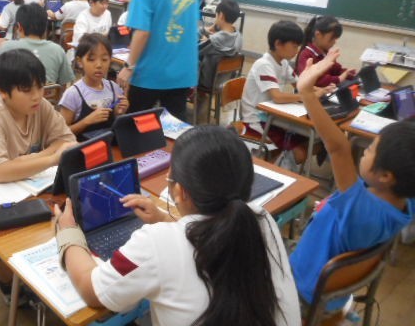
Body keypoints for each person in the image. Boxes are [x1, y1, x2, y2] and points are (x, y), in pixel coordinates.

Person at [55, 125, 301, 326]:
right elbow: (207, 235)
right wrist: (163, 218)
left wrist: (67, 232)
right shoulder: (260, 219)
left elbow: (92, 289)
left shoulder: (155, 243)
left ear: (180, 192)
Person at [290, 48, 415, 315]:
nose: (364, 152)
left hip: (301, 292)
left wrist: (307, 93)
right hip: (332, 294)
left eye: (370, 150)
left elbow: (339, 148)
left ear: (386, 176)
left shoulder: (361, 210)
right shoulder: (405, 203)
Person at [116, 0, 199, 122]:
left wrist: (128, 66)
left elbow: (142, 33)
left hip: (151, 74)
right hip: (182, 72)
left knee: (135, 128)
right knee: (175, 131)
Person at [0, 49, 75, 181]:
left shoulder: (41, 106)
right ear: (3, 91)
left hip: (13, 184)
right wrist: (52, 159)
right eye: (27, 90)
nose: (36, 96)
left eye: (40, 87)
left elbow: (66, 141)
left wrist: (29, 160)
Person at [241, 20, 331, 166]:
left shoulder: (283, 63)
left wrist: (321, 90)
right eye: (294, 46)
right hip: (257, 120)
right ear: (278, 44)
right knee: (301, 150)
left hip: (272, 116)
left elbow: (301, 85)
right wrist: (309, 95)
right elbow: (277, 97)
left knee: (313, 140)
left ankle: (281, 163)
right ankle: (272, 169)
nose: (297, 51)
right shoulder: (264, 64)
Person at [59, 33, 128, 137]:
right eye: (91, 59)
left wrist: (119, 113)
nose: (99, 65)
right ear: (80, 62)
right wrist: (86, 121)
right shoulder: (73, 94)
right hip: (82, 146)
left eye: (104, 59)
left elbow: (117, 124)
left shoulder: (114, 88)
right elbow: (61, 134)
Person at [0, 3, 74, 86]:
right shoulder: (58, 50)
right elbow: (63, 84)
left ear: (19, 27)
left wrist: (0, 48)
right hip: (49, 94)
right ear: (45, 27)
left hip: (17, 94)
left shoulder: (7, 47)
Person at [295, 15, 356, 88]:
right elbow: (316, 80)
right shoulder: (306, 54)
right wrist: (339, 78)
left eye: (336, 38)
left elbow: (336, 70)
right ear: (318, 35)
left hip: (326, 91)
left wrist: (347, 73)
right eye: (332, 38)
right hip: (312, 93)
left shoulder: (326, 53)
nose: (334, 42)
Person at [199, 0, 243, 91]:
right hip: (226, 81)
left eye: (216, 15)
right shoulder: (239, 37)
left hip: (207, 81)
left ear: (221, 15)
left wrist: (203, 32)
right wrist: (210, 39)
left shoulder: (215, 40)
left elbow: (196, 50)